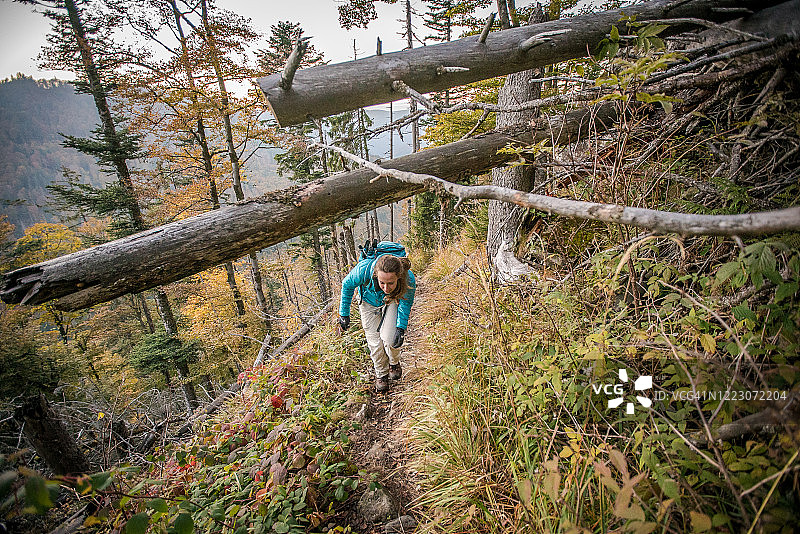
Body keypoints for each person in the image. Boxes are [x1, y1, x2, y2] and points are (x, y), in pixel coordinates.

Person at [338, 250, 416, 393]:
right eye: (382, 283)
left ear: (398, 277)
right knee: (374, 341)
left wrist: (401, 327)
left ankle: (394, 363)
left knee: (390, 337)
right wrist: (344, 314)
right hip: (368, 301)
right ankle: (381, 375)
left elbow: (406, 303)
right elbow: (347, 284)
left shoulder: (408, 278)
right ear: (375, 275)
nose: (386, 288)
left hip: (392, 300)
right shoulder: (363, 271)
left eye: (391, 283)